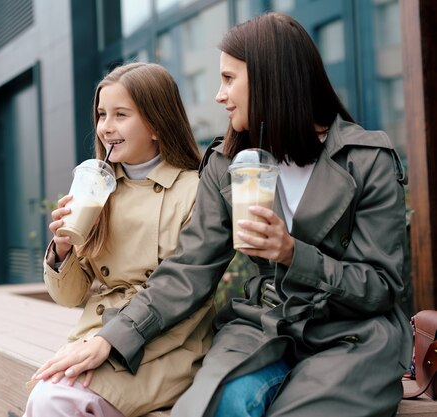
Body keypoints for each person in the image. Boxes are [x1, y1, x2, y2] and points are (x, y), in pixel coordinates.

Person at [31, 12, 413, 417]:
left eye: (229, 79)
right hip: (265, 326)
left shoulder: (367, 160)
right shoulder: (226, 163)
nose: (219, 94)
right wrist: (113, 337)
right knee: (217, 405)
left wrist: (291, 254)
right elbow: (188, 271)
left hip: (351, 334)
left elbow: (383, 287)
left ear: (271, 78)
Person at [25, 62, 215, 417]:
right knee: (48, 396)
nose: (105, 127)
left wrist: (111, 343)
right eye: (101, 114)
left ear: (157, 124)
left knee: (54, 399)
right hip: (97, 336)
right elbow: (70, 296)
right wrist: (63, 250)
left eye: (120, 115)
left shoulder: (194, 191)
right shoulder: (97, 188)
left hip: (164, 348)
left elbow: (184, 290)